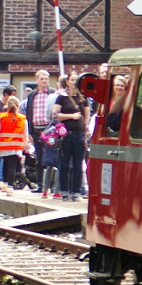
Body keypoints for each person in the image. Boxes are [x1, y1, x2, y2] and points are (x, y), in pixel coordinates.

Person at [52, 73, 90, 202]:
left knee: (78, 165)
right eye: (72, 80)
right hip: (66, 135)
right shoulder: (61, 98)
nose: (74, 82)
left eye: (76, 80)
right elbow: (55, 115)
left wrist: (86, 133)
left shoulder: (83, 98)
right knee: (64, 164)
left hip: (79, 135)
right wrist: (71, 116)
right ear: (67, 82)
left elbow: (86, 117)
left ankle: (76, 192)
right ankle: (64, 191)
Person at [22, 70, 56, 193]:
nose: (44, 80)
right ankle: (41, 185)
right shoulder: (32, 95)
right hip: (36, 129)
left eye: (46, 78)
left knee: (51, 157)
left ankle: (51, 185)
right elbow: (29, 113)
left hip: (50, 130)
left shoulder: (53, 93)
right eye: (42, 78)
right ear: (37, 80)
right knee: (39, 158)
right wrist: (30, 131)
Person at [0, 96, 31, 192]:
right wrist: (25, 145)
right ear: (18, 106)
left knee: (5, 165)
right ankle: (10, 186)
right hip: (16, 146)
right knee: (13, 166)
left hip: (4, 145)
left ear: (7, 105)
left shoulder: (2, 117)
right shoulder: (23, 118)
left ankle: (5, 184)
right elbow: (25, 133)